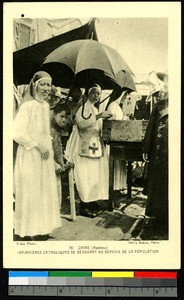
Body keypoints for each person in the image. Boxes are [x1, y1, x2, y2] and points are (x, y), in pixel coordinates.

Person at [13, 71, 62, 241]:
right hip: (30, 155)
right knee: (31, 192)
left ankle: (41, 228)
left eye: (49, 85)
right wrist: (38, 145)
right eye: (43, 84)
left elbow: (44, 133)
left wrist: (50, 152)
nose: (46, 88)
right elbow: (17, 132)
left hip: (44, 157)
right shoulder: (27, 106)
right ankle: (26, 231)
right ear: (34, 85)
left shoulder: (46, 107)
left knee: (44, 192)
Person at [66, 84, 112, 218]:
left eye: (98, 93)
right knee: (85, 176)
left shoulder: (92, 108)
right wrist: (99, 116)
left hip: (94, 146)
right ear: (87, 94)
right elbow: (82, 123)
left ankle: (92, 202)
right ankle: (84, 206)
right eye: (93, 93)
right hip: (85, 146)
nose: (96, 96)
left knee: (94, 175)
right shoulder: (84, 107)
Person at [142, 82, 168, 233]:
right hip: (159, 154)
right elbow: (151, 127)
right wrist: (146, 148)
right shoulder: (159, 106)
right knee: (156, 186)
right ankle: (153, 219)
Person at [50, 102, 72, 210]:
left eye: (66, 117)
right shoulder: (51, 129)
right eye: (61, 116)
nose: (64, 120)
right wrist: (59, 163)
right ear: (54, 114)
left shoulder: (57, 128)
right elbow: (53, 148)